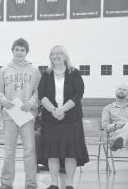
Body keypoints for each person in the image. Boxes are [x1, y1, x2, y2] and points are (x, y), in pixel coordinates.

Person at [38, 45, 89, 189]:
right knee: (52, 152)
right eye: (53, 54)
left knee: (70, 152)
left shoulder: (74, 73)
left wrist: (62, 110)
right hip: (51, 118)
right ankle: (54, 184)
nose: (56, 56)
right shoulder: (46, 74)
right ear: (50, 57)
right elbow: (41, 95)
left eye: (59, 53)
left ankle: (69, 184)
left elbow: (79, 93)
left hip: (71, 118)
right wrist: (54, 110)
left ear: (65, 56)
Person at [0, 38, 41, 189]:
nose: (19, 53)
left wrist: (32, 103)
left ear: (26, 52)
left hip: (27, 116)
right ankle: (6, 184)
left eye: (22, 50)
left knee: (29, 151)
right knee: (9, 152)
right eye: (17, 49)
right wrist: (3, 100)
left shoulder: (34, 70)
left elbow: (38, 91)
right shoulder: (4, 70)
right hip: (9, 116)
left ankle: (30, 184)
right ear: (12, 50)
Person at [102, 84, 128, 151]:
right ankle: (119, 140)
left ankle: (117, 142)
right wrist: (116, 126)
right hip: (115, 132)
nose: (121, 91)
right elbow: (105, 126)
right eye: (119, 89)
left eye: (124, 90)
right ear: (115, 91)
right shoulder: (108, 108)